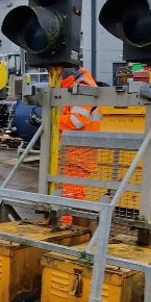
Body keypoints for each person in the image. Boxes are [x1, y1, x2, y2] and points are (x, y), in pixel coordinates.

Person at [59, 66, 101, 221]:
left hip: (78, 153)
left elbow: (76, 120)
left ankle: (69, 228)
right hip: (74, 151)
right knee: (72, 193)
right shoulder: (76, 84)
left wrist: (51, 120)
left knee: (70, 194)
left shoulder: (83, 85)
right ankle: (73, 227)